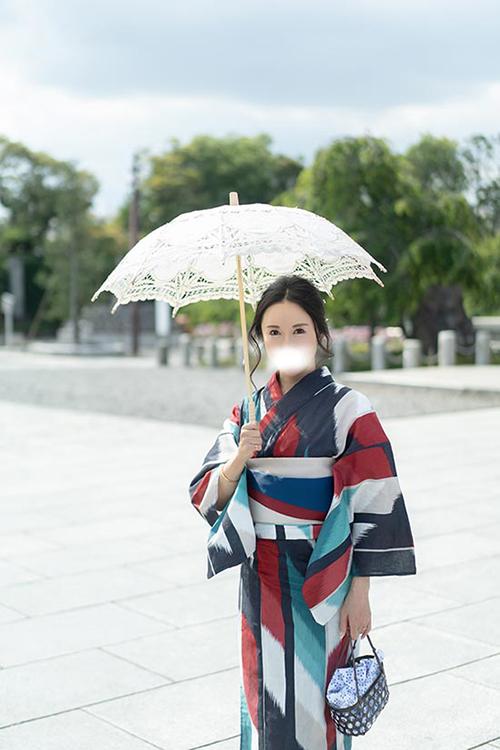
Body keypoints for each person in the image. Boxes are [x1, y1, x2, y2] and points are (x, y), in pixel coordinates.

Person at [188, 274, 417, 750]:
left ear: (319, 334)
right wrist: (238, 458)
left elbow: (374, 503)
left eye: (298, 330)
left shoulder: (349, 409)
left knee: (317, 697)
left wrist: (361, 591)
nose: (286, 340)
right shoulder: (247, 410)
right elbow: (206, 494)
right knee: (264, 691)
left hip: (322, 571)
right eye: (274, 331)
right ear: (259, 339)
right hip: (261, 576)